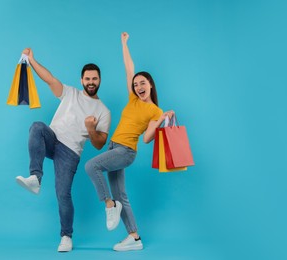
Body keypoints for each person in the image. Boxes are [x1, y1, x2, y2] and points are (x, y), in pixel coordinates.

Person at [85, 32, 174, 251]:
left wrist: (161, 120)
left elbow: (146, 139)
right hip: (113, 147)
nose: (138, 87)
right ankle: (134, 237)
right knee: (121, 195)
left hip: (125, 151)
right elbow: (128, 68)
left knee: (91, 165)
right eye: (136, 85)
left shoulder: (155, 110)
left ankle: (108, 204)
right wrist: (124, 43)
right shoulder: (133, 99)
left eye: (142, 83)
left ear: (150, 85)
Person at [15, 48, 111, 252]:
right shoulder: (70, 93)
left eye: (95, 78)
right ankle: (35, 179)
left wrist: (91, 128)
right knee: (37, 127)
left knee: (63, 194)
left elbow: (99, 143)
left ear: (100, 80)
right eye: (87, 78)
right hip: (53, 138)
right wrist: (31, 60)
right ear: (82, 80)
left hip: (70, 152)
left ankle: (66, 236)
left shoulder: (103, 111)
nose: (91, 82)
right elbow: (49, 79)